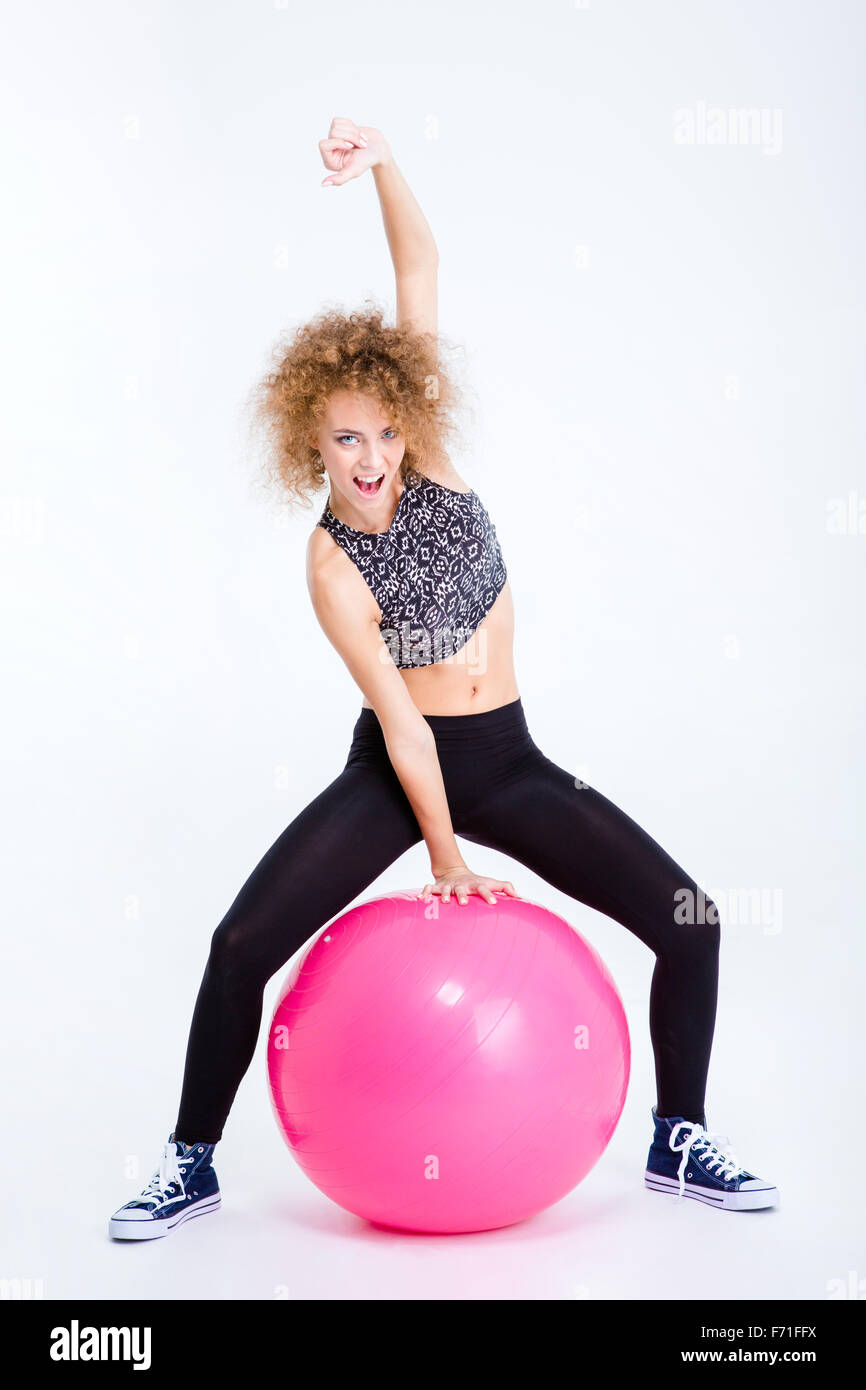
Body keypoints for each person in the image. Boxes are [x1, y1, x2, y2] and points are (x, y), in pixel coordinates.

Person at [108, 116, 778, 1241]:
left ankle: (676, 1136)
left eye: (377, 431)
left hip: (506, 760)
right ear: (307, 447)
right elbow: (404, 725)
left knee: (692, 920)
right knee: (237, 945)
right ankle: (187, 1160)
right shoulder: (330, 563)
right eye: (340, 442)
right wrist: (446, 855)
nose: (366, 459)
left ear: (402, 419)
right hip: (395, 769)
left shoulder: (432, 460)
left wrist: (379, 163)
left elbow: (418, 266)